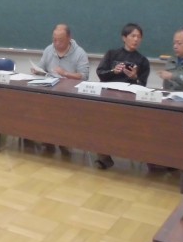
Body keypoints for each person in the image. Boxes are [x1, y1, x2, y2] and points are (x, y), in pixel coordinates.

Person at [95, 23, 151, 169]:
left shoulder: (143, 61)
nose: (136, 39)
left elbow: (143, 86)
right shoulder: (112, 54)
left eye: (139, 37)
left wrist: (134, 77)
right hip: (109, 98)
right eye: (133, 36)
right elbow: (100, 74)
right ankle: (103, 157)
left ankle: (130, 152)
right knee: (101, 121)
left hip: (129, 102)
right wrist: (113, 71)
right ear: (124, 38)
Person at [31, 24, 90, 155]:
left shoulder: (80, 53)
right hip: (50, 90)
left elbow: (84, 76)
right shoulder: (49, 50)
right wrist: (36, 70)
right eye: (54, 40)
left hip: (70, 93)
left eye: (60, 40)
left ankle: (64, 141)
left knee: (61, 109)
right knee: (38, 103)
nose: (57, 43)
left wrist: (65, 73)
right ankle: (47, 139)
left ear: (69, 38)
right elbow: (41, 68)